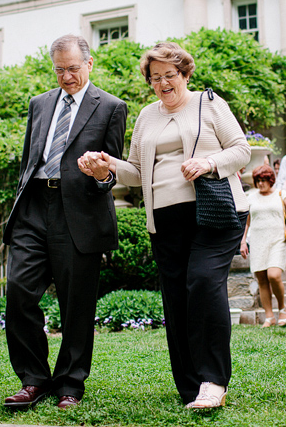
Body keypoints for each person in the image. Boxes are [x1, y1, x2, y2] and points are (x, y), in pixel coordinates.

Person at [79, 41, 250, 410]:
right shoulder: (146, 116)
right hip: (167, 222)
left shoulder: (210, 103)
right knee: (177, 300)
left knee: (203, 283)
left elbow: (241, 150)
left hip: (214, 213)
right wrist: (106, 166)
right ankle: (190, 387)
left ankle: (214, 381)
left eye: (169, 75)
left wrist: (208, 163)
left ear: (184, 74)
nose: (162, 84)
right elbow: (137, 172)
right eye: (155, 78)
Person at [2, 34, 127, 410]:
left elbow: (113, 172)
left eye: (73, 68)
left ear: (89, 64)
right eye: (59, 70)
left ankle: (70, 383)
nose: (66, 77)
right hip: (34, 207)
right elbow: (29, 159)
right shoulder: (39, 104)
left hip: (79, 212)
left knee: (77, 306)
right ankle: (33, 380)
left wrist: (100, 174)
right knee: (19, 292)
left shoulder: (111, 107)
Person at [240, 165, 286, 328]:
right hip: (258, 241)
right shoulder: (250, 197)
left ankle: (282, 308)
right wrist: (243, 241)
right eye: (258, 181)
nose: (261, 184)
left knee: (273, 275)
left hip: (277, 241)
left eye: (264, 180)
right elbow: (246, 222)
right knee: (261, 279)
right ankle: (269, 316)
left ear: (271, 180)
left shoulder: (281, 194)